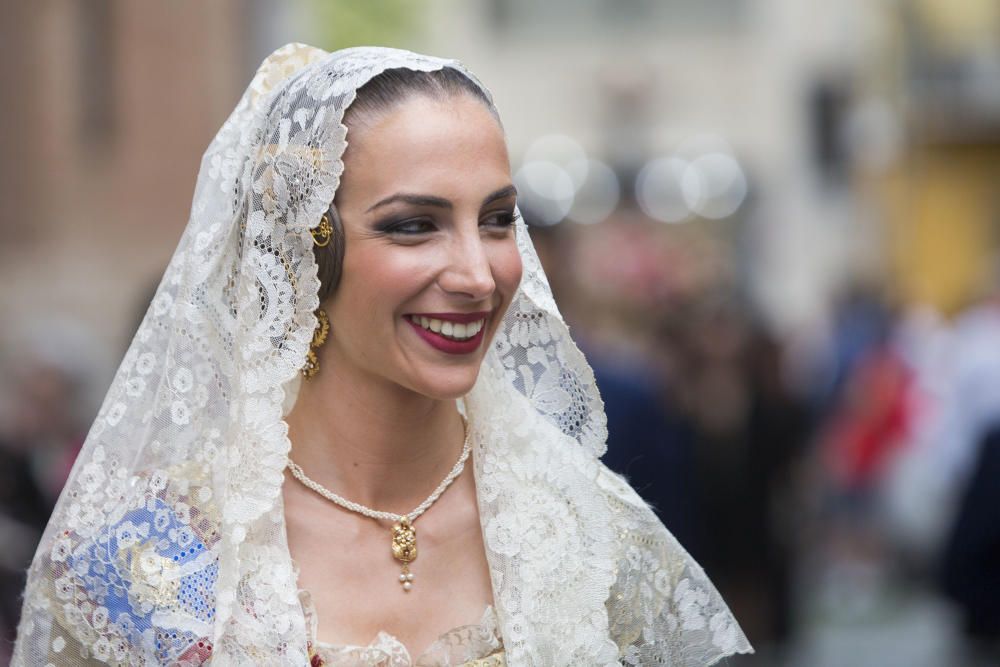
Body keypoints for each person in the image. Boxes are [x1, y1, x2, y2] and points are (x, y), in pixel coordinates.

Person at [13, 44, 751, 666]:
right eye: (413, 225)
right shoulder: (152, 559)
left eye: (497, 220)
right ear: (306, 250)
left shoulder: (590, 536)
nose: (477, 273)